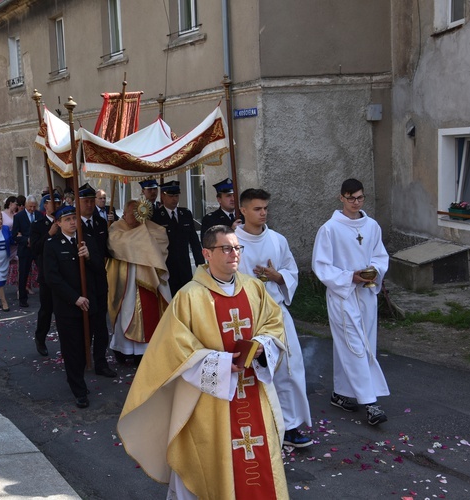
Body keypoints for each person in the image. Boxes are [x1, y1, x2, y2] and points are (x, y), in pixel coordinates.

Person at [117, 225, 288, 499]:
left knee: (258, 458)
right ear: (207, 253)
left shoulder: (254, 288)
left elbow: (273, 324)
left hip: (252, 390)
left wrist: (262, 346)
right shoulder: (189, 296)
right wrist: (221, 364)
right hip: (209, 400)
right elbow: (176, 349)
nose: (234, 254)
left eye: (237, 248)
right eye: (226, 248)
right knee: (209, 463)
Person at [236, 188, 313, 447]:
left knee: (288, 370)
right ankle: (254, 426)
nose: (263, 213)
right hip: (246, 317)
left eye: (266, 208)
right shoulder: (231, 242)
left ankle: (290, 427)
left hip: (277, 314)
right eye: (257, 209)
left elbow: (290, 271)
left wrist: (277, 276)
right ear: (243, 210)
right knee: (249, 373)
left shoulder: (278, 240)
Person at [312, 178, 390, 426]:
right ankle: (371, 404)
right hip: (342, 294)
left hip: (366, 294)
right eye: (351, 198)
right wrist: (349, 277)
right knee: (355, 345)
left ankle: (342, 394)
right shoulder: (330, 229)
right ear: (341, 199)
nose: (356, 203)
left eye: (360, 198)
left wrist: (374, 271)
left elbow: (380, 256)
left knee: (360, 342)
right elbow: (321, 266)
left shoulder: (372, 226)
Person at [44, 205, 117, 409]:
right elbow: (52, 278)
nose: (72, 223)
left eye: (74, 218)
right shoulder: (52, 245)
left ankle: (91, 368)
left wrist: (89, 257)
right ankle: (78, 388)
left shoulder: (87, 241)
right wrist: (74, 298)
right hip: (69, 307)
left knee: (91, 340)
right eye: (67, 219)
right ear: (58, 223)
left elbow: (100, 270)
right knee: (73, 348)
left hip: (90, 303)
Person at [107, 200, 171, 363]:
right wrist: (141, 239)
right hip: (125, 282)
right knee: (125, 313)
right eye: (131, 214)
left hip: (149, 279)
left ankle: (145, 351)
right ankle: (123, 350)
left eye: (138, 214)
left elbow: (161, 241)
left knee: (150, 313)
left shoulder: (151, 228)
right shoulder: (116, 227)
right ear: (125, 214)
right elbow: (117, 245)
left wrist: (143, 235)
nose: (135, 218)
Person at [151, 180, 204, 296]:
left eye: (176, 195)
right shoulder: (156, 216)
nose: (174, 199)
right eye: (171, 196)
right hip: (167, 268)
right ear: (163, 196)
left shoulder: (185, 214)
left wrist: (200, 264)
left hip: (184, 266)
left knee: (187, 298)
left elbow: (194, 241)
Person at [30, 192, 61, 356]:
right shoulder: (38, 225)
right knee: (46, 310)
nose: (54, 206)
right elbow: (35, 248)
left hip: (63, 273)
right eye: (51, 203)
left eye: (57, 203)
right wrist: (49, 233)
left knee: (64, 311)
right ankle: (40, 338)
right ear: (46, 206)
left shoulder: (65, 221)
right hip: (47, 274)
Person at [11, 195, 43, 307]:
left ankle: (45, 296)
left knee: (43, 272)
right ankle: (22, 299)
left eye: (34, 207)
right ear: (25, 205)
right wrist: (26, 240)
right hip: (25, 249)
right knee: (23, 274)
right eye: (30, 206)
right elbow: (14, 235)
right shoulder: (19, 217)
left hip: (37, 249)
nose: (32, 209)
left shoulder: (39, 215)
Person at [78, 183, 110, 258]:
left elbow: (105, 248)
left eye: (92, 201)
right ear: (78, 203)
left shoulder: (101, 222)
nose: (89, 205)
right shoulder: (74, 224)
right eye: (86, 201)